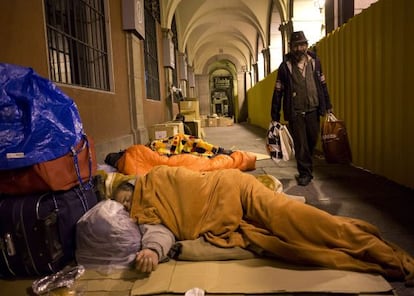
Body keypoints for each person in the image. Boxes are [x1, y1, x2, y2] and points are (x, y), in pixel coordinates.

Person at [271, 31, 333, 186]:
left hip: (313, 109)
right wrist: (275, 115)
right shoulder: (285, 67)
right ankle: (305, 173)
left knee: (312, 140)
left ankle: (306, 165)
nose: (300, 48)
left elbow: (323, 85)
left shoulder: (315, 62)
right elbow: (278, 91)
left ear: (306, 45)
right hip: (296, 112)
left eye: (302, 45)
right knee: (301, 144)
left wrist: (328, 106)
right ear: (291, 47)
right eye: (296, 45)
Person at [111, 181, 175, 273]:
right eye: (123, 207)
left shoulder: (148, 192)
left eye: (127, 199)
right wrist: (152, 250)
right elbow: (158, 231)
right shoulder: (141, 217)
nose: (126, 205)